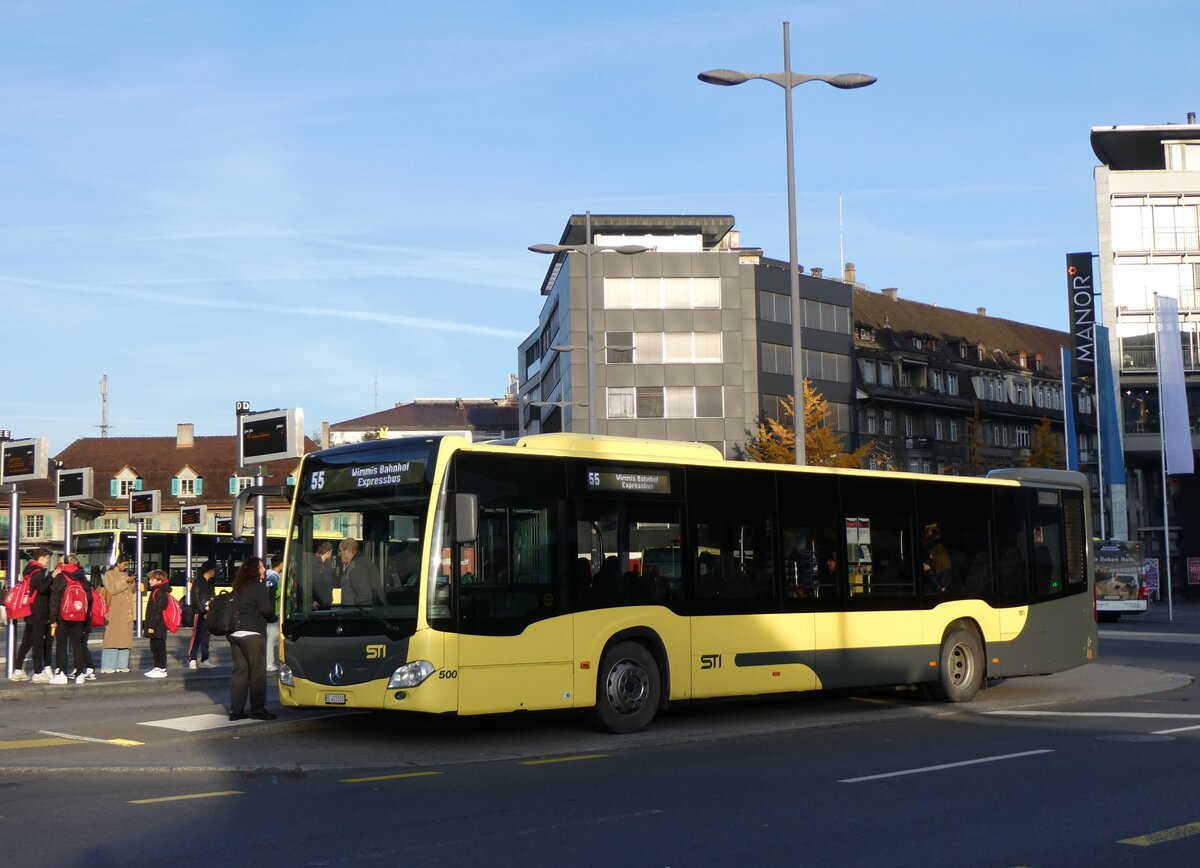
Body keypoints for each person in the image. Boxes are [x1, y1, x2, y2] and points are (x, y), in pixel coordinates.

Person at [227, 556, 278, 721]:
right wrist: (273, 618)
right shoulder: (258, 587)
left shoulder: (238, 587)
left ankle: (236, 710)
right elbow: (266, 609)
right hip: (252, 634)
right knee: (257, 673)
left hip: (234, 633)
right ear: (253, 570)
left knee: (240, 672)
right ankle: (258, 709)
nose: (264, 570)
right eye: (261, 567)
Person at [10, 547, 54, 683]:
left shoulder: (29, 571)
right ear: (41, 558)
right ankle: (38, 672)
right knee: (37, 643)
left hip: (30, 611)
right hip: (38, 612)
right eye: (47, 558)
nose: (47, 561)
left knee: (27, 642)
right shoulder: (37, 572)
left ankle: (18, 670)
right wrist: (52, 577)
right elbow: (42, 588)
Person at [48, 556, 92, 684]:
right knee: (78, 645)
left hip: (63, 616)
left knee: (61, 645)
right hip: (79, 616)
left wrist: (53, 619)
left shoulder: (61, 578)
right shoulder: (82, 578)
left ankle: (62, 673)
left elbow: (54, 600)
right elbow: (89, 599)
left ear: (65, 563)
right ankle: (79, 674)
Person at [101, 553, 135, 673]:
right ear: (118, 563)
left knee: (125, 639)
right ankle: (108, 665)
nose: (126, 567)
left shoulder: (127, 574)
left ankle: (122, 665)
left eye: (127, 565)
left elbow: (132, 591)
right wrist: (125, 581)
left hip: (126, 610)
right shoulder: (109, 574)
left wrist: (132, 582)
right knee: (112, 637)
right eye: (124, 564)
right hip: (114, 610)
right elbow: (111, 589)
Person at [187, 560, 217, 670]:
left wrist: (212, 609)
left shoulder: (211, 583)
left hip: (209, 613)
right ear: (210, 570)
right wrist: (203, 612)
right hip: (198, 613)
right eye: (214, 570)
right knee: (196, 636)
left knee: (206, 637)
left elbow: (213, 596)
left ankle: (205, 659)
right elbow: (195, 598)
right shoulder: (198, 582)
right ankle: (192, 658)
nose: (215, 572)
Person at [142, 569, 172, 678]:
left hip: (158, 624)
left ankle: (162, 669)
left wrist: (152, 626)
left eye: (152, 579)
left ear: (159, 580)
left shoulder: (159, 592)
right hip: (157, 624)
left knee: (159, 646)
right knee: (154, 646)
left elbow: (158, 610)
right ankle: (157, 667)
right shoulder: (158, 590)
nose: (149, 581)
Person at [338, 537, 380, 606]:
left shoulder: (357, 566)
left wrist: (353, 612)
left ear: (348, 551)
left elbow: (364, 597)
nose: (339, 554)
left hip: (354, 614)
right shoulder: (358, 563)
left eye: (340, 551)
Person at [264, 555, 283, 672]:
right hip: (273, 612)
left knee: (270, 638)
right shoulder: (273, 577)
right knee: (271, 639)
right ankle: (269, 663)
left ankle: (269, 661)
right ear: (281, 564)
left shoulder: (268, 575)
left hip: (269, 612)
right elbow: (273, 595)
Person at [313, 541, 334, 609]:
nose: (331, 554)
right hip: (317, 601)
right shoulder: (314, 561)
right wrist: (313, 600)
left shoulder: (328, 564)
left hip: (327, 600)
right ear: (328, 552)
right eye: (331, 552)